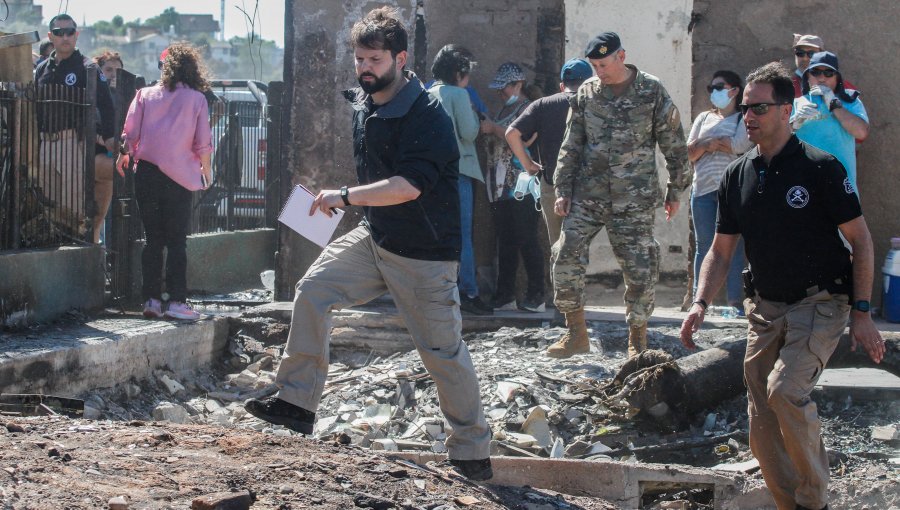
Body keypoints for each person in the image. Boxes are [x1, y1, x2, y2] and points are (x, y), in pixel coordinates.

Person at [243, 7, 493, 481]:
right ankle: (296, 403)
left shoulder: (429, 115)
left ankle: (472, 453)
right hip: (377, 235)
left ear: (400, 58)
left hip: (423, 254)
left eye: (374, 59)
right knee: (313, 291)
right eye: (359, 58)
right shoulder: (367, 100)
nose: (364, 67)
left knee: (442, 354)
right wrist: (343, 202)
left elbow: (408, 186)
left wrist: (344, 196)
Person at [680, 62, 885, 510]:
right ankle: (788, 503)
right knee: (761, 412)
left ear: (786, 110)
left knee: (785, 392)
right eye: (745, 108)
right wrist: (700, 303)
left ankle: (815, 502)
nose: (747, 116)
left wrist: (864, 313)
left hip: (822, 301)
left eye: (759, 108)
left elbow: (862, 243)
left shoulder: (821, 168)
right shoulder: (737, 175)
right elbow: (720, 250)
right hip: (765, 308)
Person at [548, 32, 690, 358]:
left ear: (621, 56)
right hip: (588, 194)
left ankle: (637, 342)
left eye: (604, 63)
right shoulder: (586, 93)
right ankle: (575, 334)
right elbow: (572, 144)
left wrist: (675, 190)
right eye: (594, 65)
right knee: (565, 252)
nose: (599, 71)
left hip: (634, 198)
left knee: (640, 269)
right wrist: (563, 189)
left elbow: (674, 142)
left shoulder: (651, 91)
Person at [116, 44, 213, 321]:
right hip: (179, 177)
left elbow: (129, 134)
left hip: (146, 172)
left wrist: (124, 156)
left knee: (153, 239)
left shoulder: (144, 94)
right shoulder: (197, 99)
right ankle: (177, 302)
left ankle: (151, 301)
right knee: (177, 241)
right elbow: (202, 143)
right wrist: (206, 172)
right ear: (192, 69)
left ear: (164, 68)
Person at [505, 57, 593, 324]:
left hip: (552, 186)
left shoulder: (543, 105)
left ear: (561, 84)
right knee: (579, 249)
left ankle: (563, 312)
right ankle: (577, 311)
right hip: (588, 188)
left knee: (559, 247)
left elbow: (511, 133)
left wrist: (528, 163)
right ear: (590, 82)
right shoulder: (596, 103)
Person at [34, 14, 115, 241]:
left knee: (73, 209)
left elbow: (106, 104)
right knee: (47, 206)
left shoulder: (87, 67)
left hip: (72, 143)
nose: (65, 37)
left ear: (76, 35)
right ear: (50, 36)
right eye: (59, 33)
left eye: (69, 32)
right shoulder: (42, 69)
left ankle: (77, 253)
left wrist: (109, 136)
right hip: (44, 145)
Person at [428, 44, 492, 315]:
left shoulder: (427, 93)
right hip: (459, 171)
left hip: (430, 175)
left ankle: (437, 292)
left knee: (435, 234)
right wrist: (480, 124)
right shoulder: (459, 94)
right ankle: (469, 292)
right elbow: (468, 133)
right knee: (462, 236)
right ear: (459, 73)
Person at [480, 62, 545, 313]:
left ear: (518, 85)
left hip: (522, 186)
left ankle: (536, 294)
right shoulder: (504, 110)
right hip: (499, 188)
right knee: (505, 241)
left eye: (504, 87)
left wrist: (491, 128)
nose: (500, 93)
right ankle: (505, 295)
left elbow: (523, 137)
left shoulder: (529, 108)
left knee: (527, 238)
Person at [687, 70, 752, 310]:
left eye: (718, 87)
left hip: (732, 191)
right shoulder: (703, 119)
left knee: (733, 247)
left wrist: (706, 145)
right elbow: (690, 153)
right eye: (711, 88)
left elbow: (738, 146)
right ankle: (700, 301)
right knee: (703, 246)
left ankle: (735, 300)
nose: (713, 92)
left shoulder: (742, 118)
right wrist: (707, 145)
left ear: (734, 91)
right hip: (702, 190)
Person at [791, 52, 869, 192]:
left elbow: (861, 132)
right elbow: (776, 141)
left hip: (841, 184)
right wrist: (795, 123)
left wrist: (833, 103)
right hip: (803, 184)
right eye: (815, 72)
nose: (821, 78)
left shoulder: (851, 101)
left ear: (837, 78)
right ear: (807, 77)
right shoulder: (796, 103)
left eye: (828, 73)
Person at [91, 50, 125, 244]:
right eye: (108, 70)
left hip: (112, 157)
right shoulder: (92, 93)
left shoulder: (126, 97)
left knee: (101, 219)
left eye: (118, 71)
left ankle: (101, 263)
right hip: (94, 155)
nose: (113, 75)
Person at [790, 34, 859, 98]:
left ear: (822, 55)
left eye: (811, 53)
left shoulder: (846, 88)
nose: (805, 58)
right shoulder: (786, 86)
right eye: (800, 53)